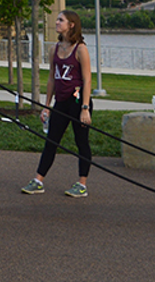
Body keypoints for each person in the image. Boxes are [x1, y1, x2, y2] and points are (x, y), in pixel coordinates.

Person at [21, 10, 93, 198]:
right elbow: (52, 78)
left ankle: (82, 183)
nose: (57, 22)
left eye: (61, 20)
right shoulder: (54, 49)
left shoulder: (81, 49)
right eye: (57, 19)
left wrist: (85, 107)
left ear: (71, 25)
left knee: (81, 141)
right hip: (60, 102)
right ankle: (38, 181)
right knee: (51, 141)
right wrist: (47, 105)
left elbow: (87, 79)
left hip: (77, 101)